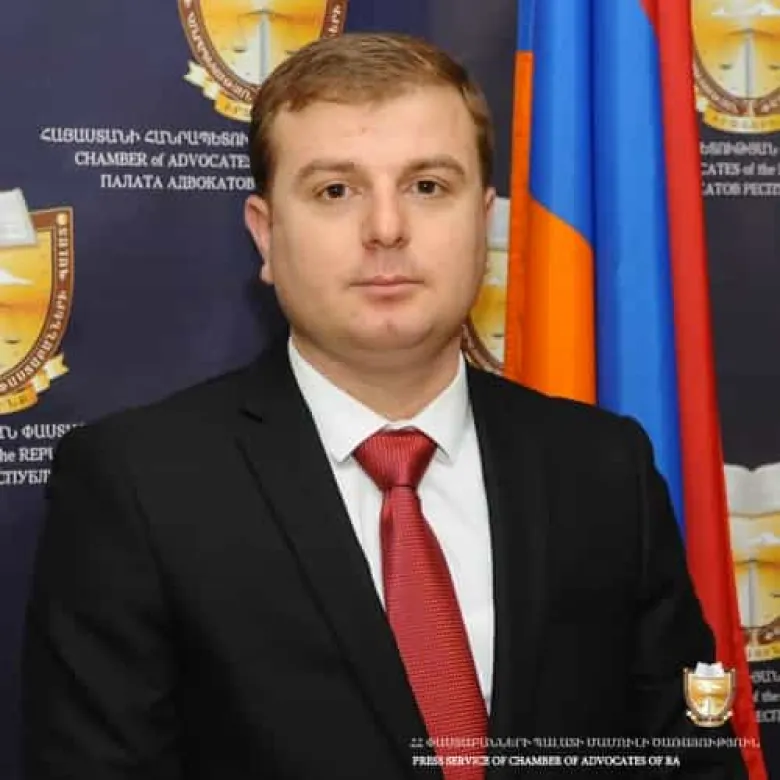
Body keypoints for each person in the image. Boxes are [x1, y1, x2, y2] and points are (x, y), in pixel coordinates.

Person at [22, 32, 746, 779]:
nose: (387, 229)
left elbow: (689, 757)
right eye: (336, 191)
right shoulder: (138, 487)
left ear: (485, 222)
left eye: (427, 186)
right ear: (266, 236)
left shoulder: (603, 468)